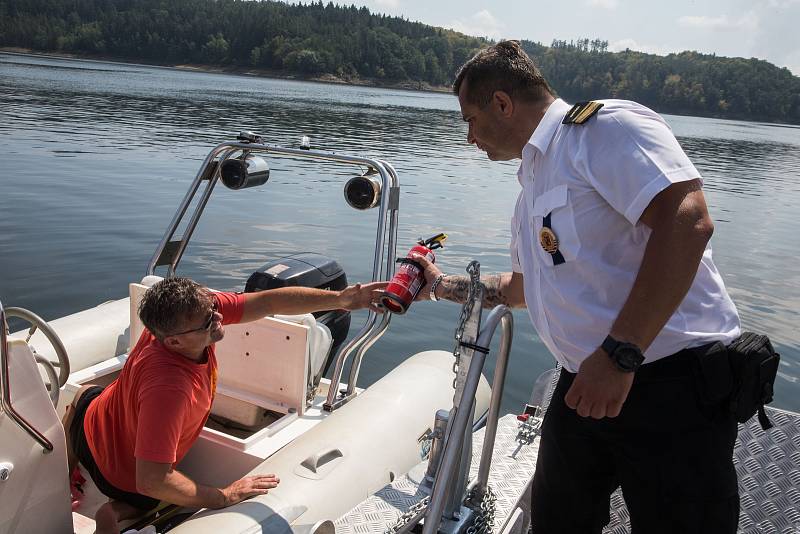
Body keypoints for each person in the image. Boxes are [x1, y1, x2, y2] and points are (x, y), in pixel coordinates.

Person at [413, 40, 741, 533]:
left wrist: (619, 354)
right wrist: (441, 286)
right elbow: (520, 289)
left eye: (471, 120)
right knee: (558, 521)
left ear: (502, 103)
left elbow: (688, 221)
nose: (469, 137)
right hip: (584, 382)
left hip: (668, 386)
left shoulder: (603, 129)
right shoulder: (532, 189)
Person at [61, 276, 386, 534]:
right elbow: (152, 479)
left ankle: (64, 471)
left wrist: (341, 299)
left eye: (213, 310)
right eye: (206, 323)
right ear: (173, 342)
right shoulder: (171, 388)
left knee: (83, 394)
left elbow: (269, 301)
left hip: (88, 425)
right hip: (122, 479)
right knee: (152, 493)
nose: (218, 319)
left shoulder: (182, 319)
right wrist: (224, 495)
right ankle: (116, 512)